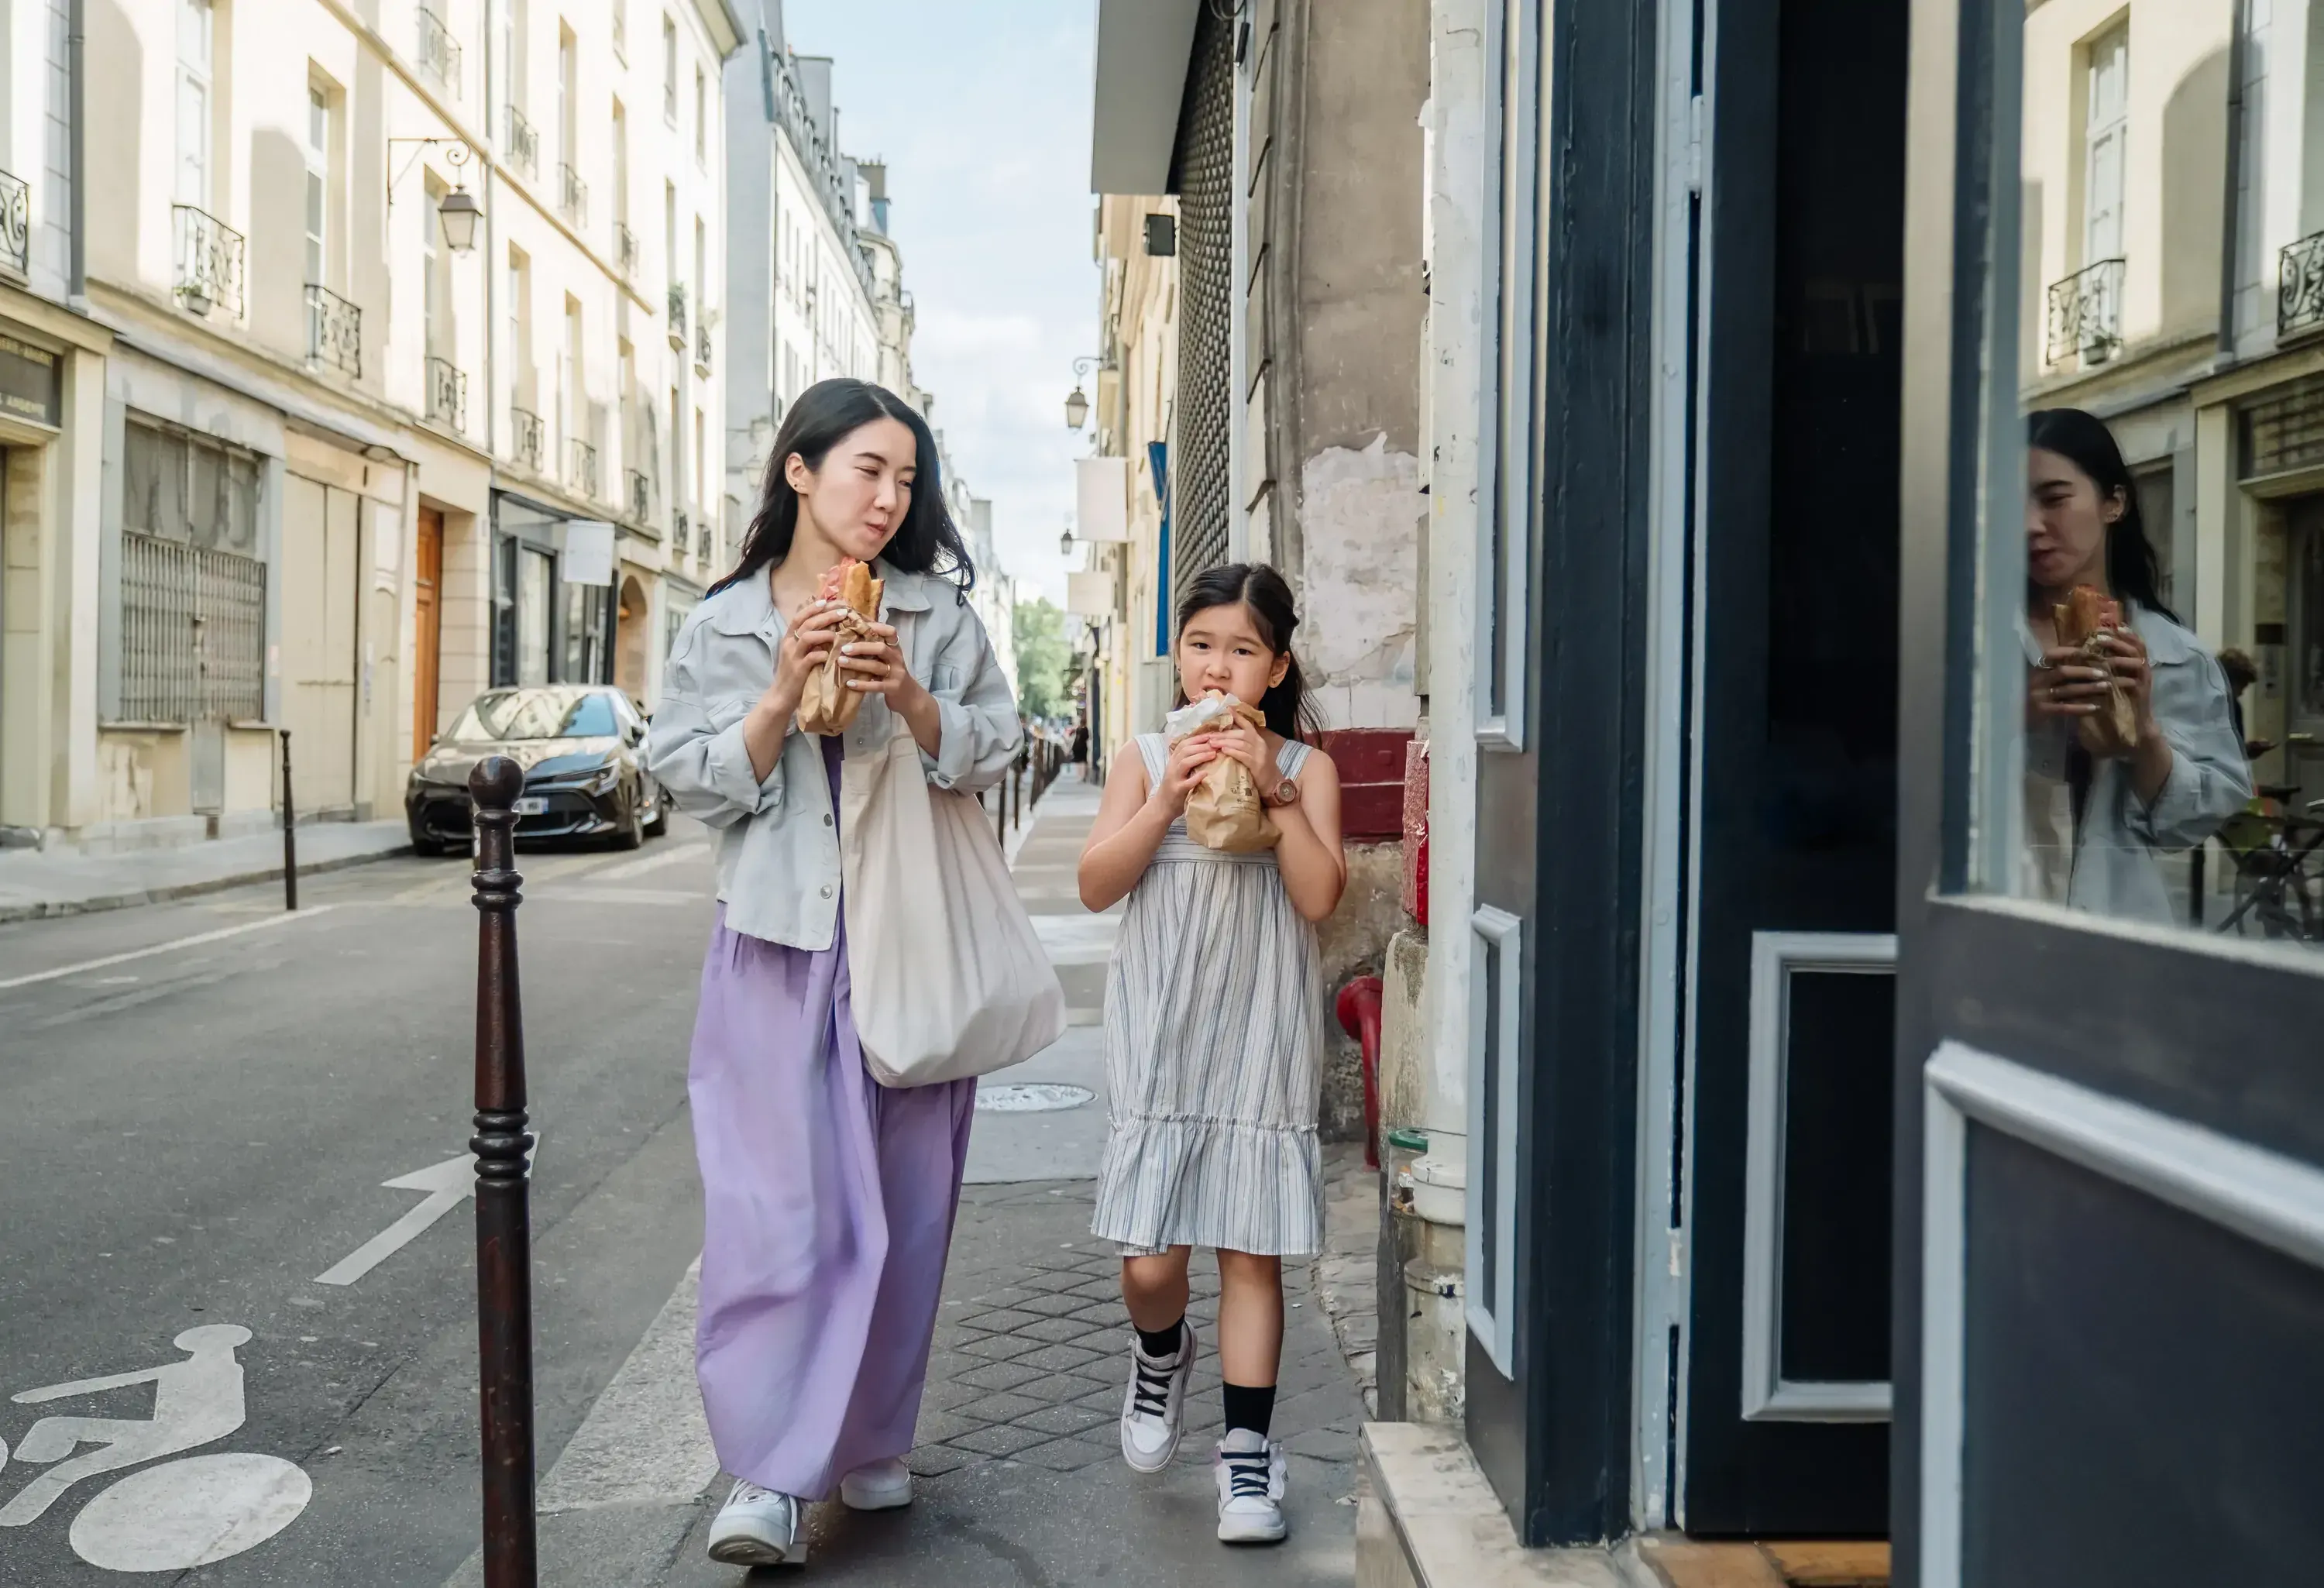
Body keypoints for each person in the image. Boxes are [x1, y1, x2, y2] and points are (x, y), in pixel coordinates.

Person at [648, 378, 1021, 1569]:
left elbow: (999, 745)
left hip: (904, 941)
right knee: (773, 1214)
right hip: (774, 948)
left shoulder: (935, 615)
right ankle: (763, 1469)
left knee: (905, 1215)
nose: (890, 496)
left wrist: (907, 691)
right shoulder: (722, 622)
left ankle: (869, 1434)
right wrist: (776, 697)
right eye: (869, 469)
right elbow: (684, 779)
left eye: (907, 478)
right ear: (800, 472)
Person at [1075, 564, 1346, 1547]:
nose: (1218, 667)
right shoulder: (1147, 754)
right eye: (1201, 645)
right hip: (1163, 1030)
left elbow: (1320, 898)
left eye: (1242, 649)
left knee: (1248, 1246)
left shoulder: (1306, 770)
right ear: (1178, 655)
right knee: (1150, 1260)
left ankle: (1246, 1455)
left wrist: (1272, 793)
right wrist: (1163, 802)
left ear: (1275, 667)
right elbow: (1097, 885)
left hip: (1260, 1029)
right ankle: (1160, 1353)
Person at [2022, 407, 2250, 921]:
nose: (2031, 525)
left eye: (2054, 499)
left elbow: (2195, 822)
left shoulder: (2173, 653)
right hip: (1992, 929)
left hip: (2117, 932)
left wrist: (2144, 738)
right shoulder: (1977, 640)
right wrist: (2016, 718)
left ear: (2114, 502)